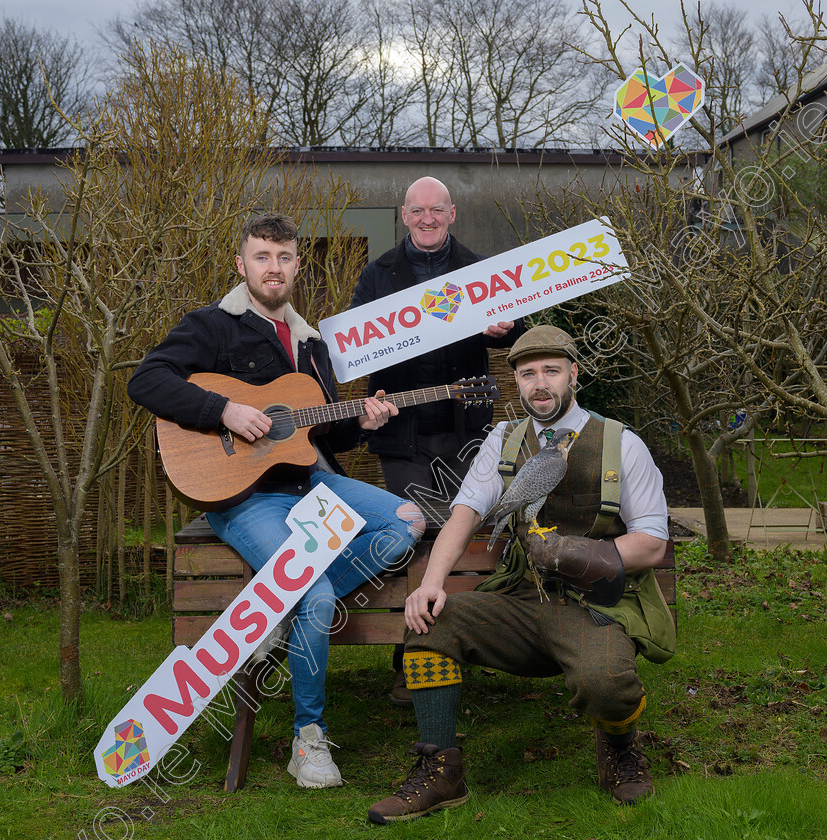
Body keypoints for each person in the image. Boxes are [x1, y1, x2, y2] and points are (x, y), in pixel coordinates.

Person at [128, 212, 426, 790]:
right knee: (310, 591)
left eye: (285, 258)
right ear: (242, 265)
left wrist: (364, 419)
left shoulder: (313, 345)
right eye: (262, 257)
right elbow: (148, 380)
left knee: (407, 520)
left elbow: (329, 436)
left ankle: (283, 615)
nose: (274, 268)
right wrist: (224, 411)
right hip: (245, 497)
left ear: (297, 266)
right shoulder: (213, 326)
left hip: (310, 484)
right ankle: (308, 738)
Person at [366, 325, 674, 823]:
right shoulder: (503, 440)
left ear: (573, 374)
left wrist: (573, 552)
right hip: (521, 597)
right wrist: (430, 583)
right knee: (429, 625)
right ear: (517, 383)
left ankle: (619, 747)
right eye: (528, 374)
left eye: (551, 371)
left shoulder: (622, 443)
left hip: (593, 604)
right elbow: (465, 512)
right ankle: (440, 770)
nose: (540, 384)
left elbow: (652, 542)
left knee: (607, 685)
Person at [350, 176, 524, 705]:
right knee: (414, 535)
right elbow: (358, 350)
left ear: (451, 214)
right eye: (417, 211)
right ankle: (410, 657)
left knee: (458, 536)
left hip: (464, 429)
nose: (427, 219)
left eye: (437, 210)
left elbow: (524, 331)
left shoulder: (480, 271)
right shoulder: (377, 275)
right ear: (404, 216)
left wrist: (507, 329)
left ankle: (448, 647)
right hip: (403, 437)